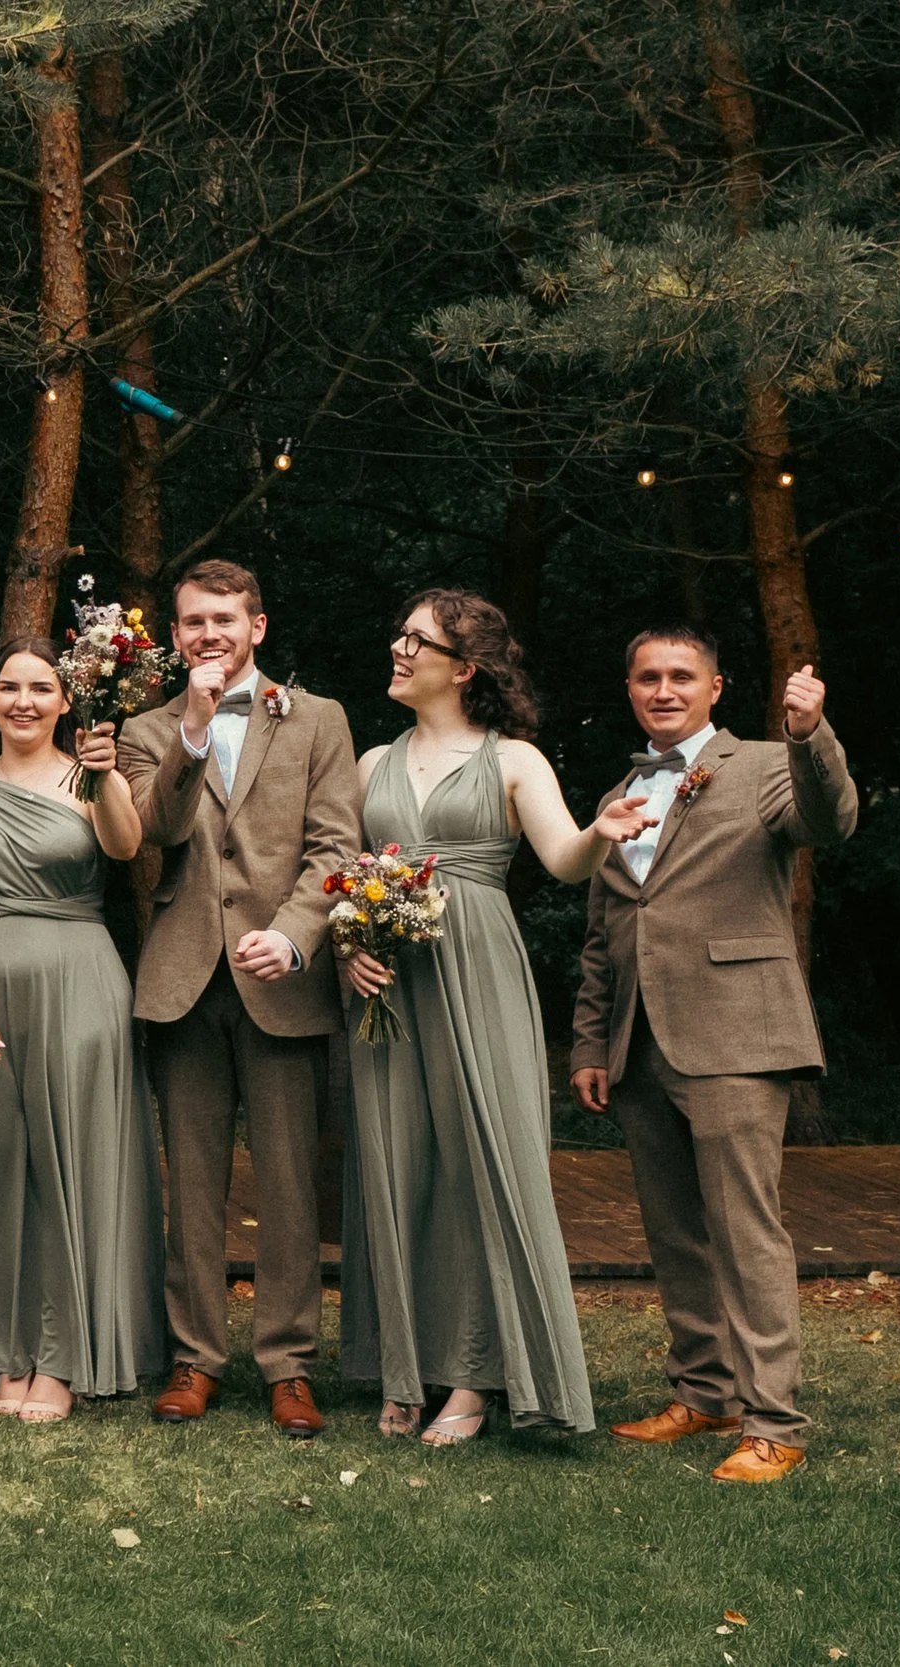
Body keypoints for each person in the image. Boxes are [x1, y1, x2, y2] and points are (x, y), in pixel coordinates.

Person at [334, 592, 652, 1445]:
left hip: (476, 969)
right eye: (400, 634)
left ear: (463, 667)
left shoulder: (514, 760)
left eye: (417, 640)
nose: (399, 648)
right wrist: (348, 946)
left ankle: (474, 1378)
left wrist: (601, 831)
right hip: (389, 984)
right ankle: (403, 1368)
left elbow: (563, 859)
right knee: (394, 1163)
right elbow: (344, 873)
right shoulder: (370, 763)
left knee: (480, 1162)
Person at [570, 626, 856, 1484]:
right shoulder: (622, 790)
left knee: (744, 1231)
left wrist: (809, 734)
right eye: (647, 677)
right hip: (639, 1041)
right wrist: (591, 1040)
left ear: (716, 687)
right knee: (675, 1233)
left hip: (736, 1032)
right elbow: (604, 931)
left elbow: (829, 818)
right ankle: (706, 1391)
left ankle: (775, 1421)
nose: (664, 689)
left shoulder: (767, 764)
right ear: (630, 688)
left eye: (681, 676)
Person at [115, 560, 360, 1438]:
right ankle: (196, 1357)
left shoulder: (319, 719)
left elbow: (335, 845)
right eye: (192, 621)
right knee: (193, 1184)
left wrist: (294, 935)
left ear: (257, 626)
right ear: (175, 635)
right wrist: (191, 724)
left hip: (281, 980)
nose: (208, 633)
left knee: (290, 1183)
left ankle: (289, 1365)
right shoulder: (146, 729)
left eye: (223, 618)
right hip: (183, 980)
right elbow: (155, 830)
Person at [0, 639, 165, 1421]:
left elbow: (126, 845)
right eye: (8, 687)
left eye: (40, 688)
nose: (22, 701)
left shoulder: (89, 777)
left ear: (66, 701)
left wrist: (105, 772)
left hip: (78, 986)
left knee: (69, 1167)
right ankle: (2, 1350)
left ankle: (61, 1357)